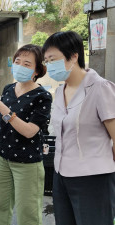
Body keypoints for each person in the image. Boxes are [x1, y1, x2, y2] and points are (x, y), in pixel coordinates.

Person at [42, 31, 115, 225]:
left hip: (93, 178)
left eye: (53, 59)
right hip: (61, 174)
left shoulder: (100, 87)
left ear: (74, 56)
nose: (49, 65)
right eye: (46, 61)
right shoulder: (59, 91)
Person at [0, 44, 52, 225]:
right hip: (2, 156)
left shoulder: (42, 96)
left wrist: (4, 110)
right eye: (17, 61)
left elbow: (30, 131)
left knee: (28, 213)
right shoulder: (8, 89)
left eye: (27, 64)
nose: (20, 66)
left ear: (37, 70)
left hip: (27, 162)